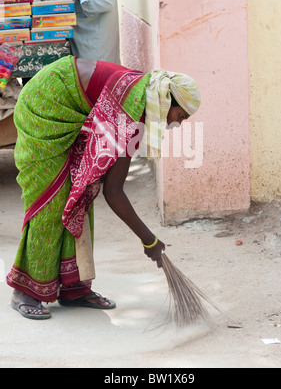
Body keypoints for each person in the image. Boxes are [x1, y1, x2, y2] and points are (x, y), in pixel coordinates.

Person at [6, 55, 201, 320]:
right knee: (51, 197)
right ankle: (24, 291)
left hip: (72, 108)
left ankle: (73, 288)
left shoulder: (141, 103)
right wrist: (149, 240)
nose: (177, 124)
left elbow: (108, 185)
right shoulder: (132, 110)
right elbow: (115, 191)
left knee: (82, 190)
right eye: (180, 115)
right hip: (45, 103)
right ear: (167, 101)